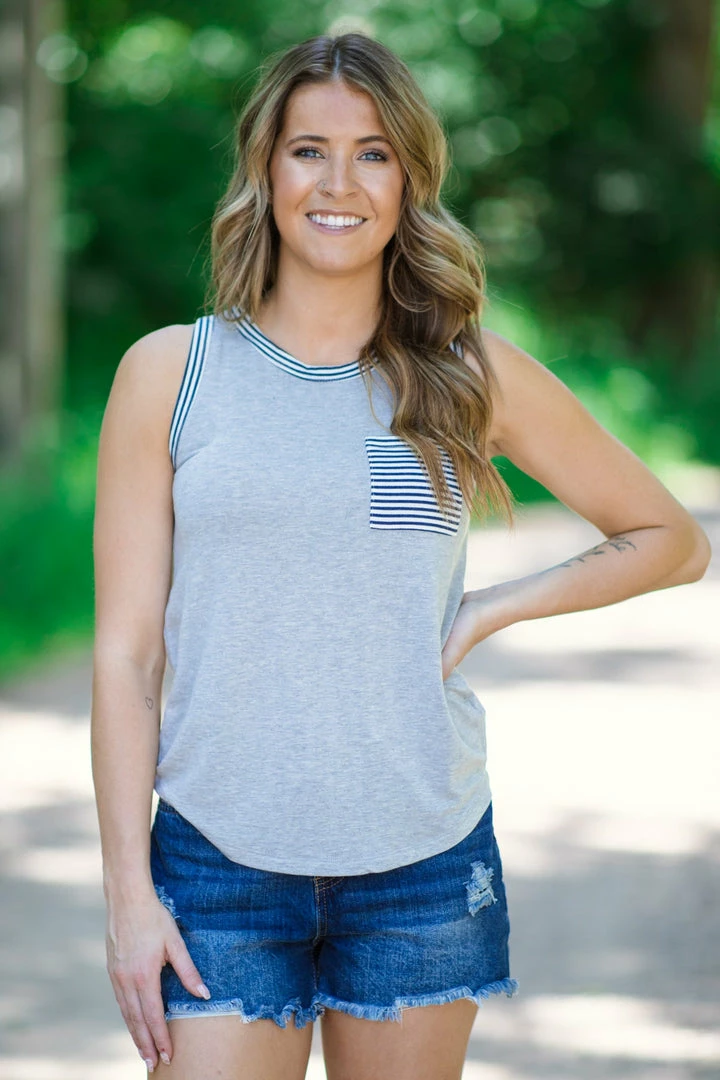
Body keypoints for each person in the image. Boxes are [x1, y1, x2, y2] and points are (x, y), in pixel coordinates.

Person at [90, 30, 711, 1080]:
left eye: (374, 152)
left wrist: (491, 608)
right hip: (216, 865)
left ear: (410, 179)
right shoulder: (172, 373)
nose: (340, 182)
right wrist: (126, 899)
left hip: (422, 864)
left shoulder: (467, 374)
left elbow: (672, 540)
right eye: (308, 150)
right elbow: (126, 658)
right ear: (265, 168)